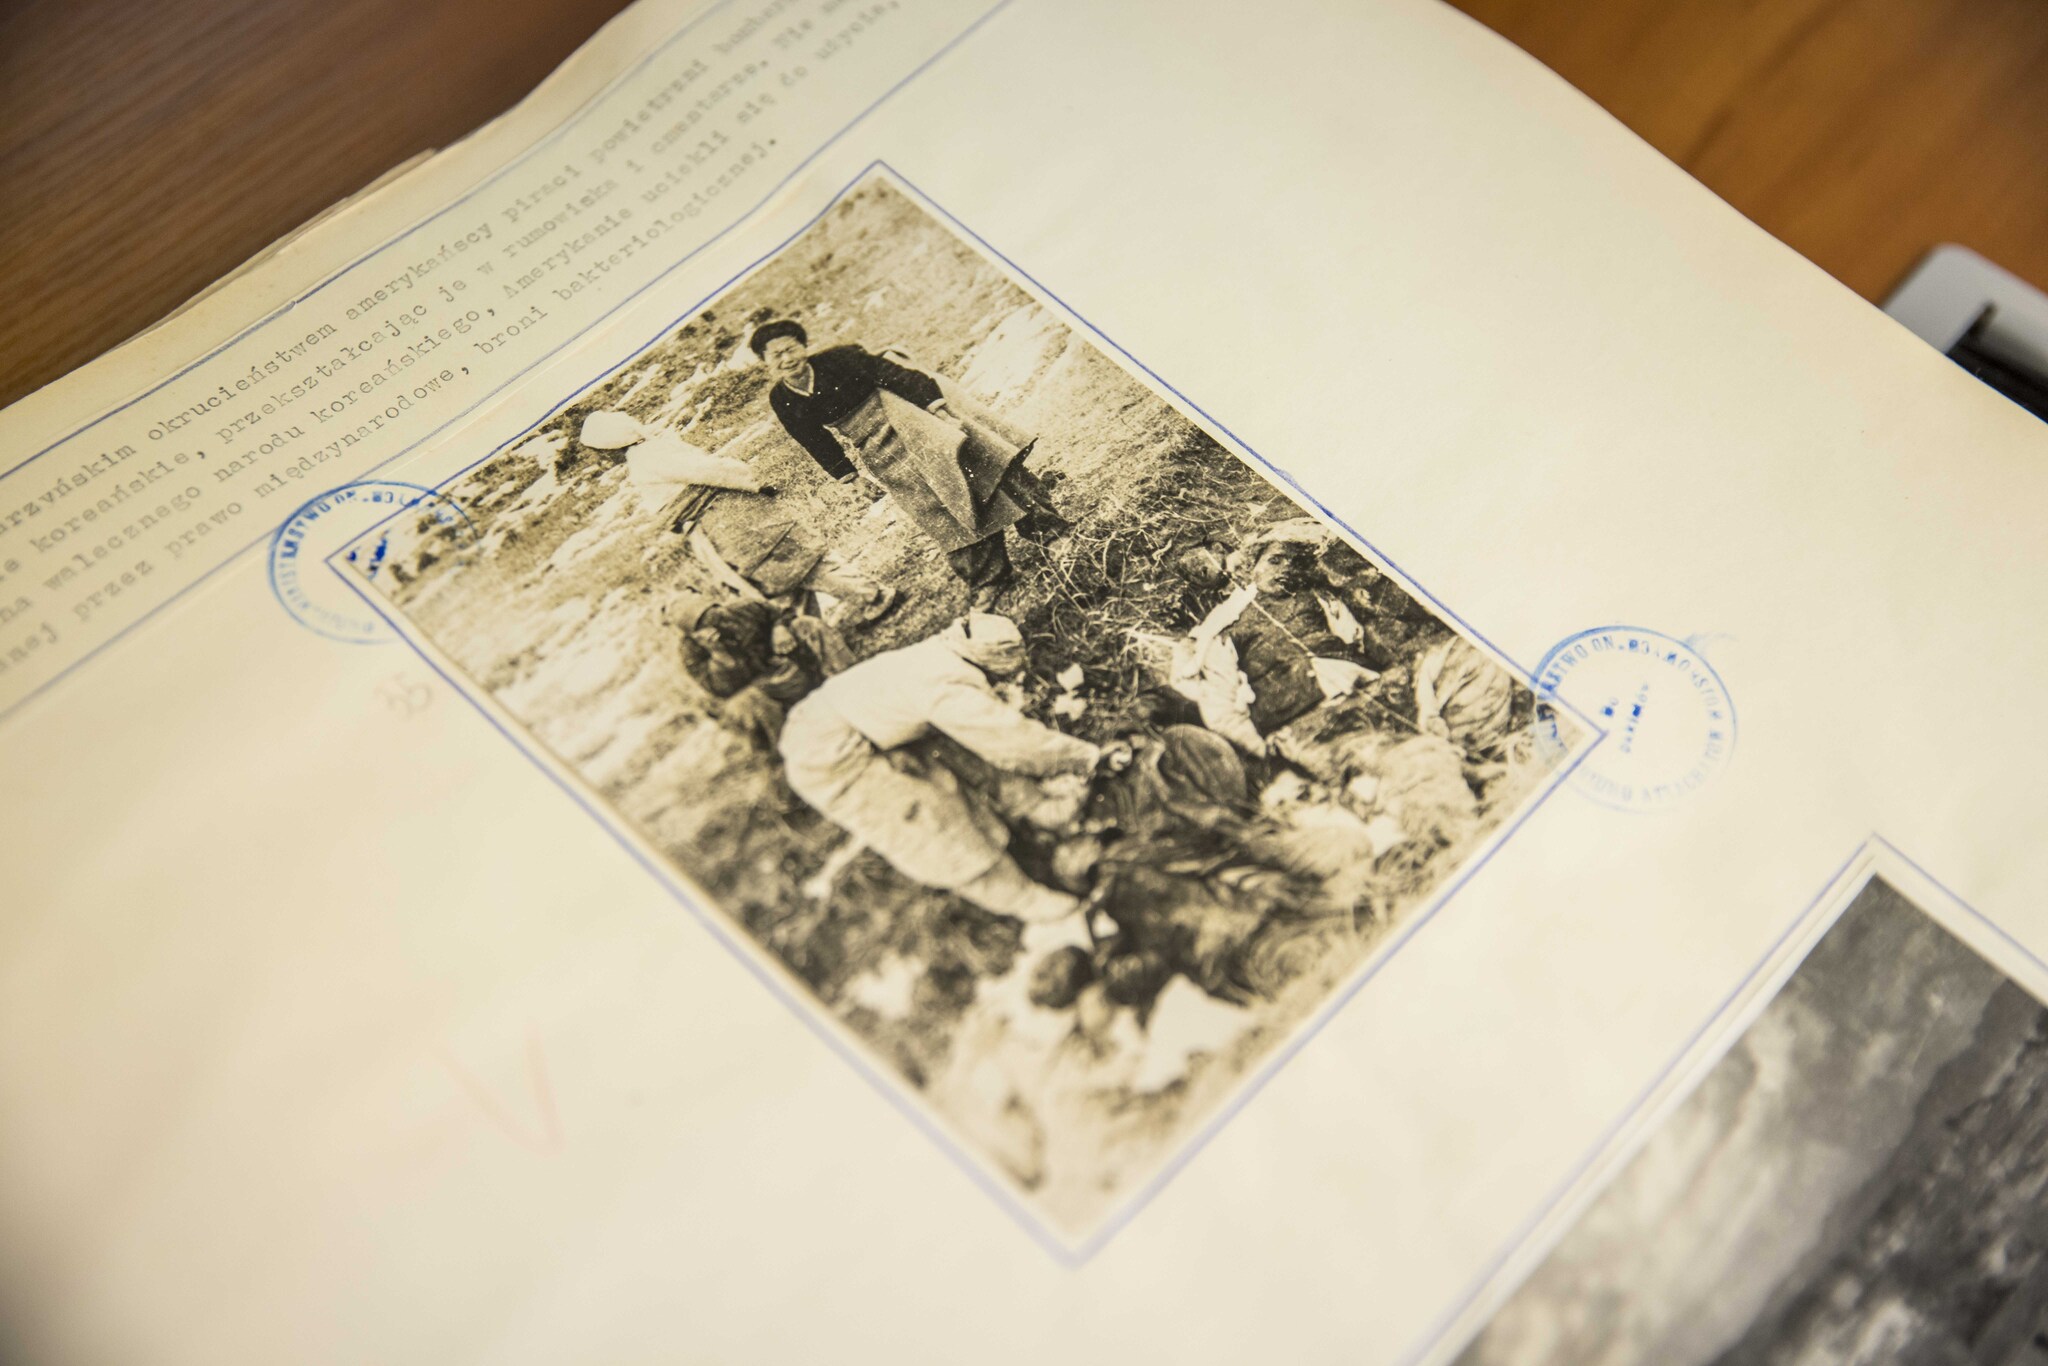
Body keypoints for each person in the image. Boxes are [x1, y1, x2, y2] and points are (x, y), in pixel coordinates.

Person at [778, 614, 1119, 923]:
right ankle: (1024, 899)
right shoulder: (944, 690)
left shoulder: (942, 651)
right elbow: (1011, 743)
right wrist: (1087, 758)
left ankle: (1038, 811)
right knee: (924, 819)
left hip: (843, 725)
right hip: (825, 758)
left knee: (953, 759)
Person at [750, 320, 1069, 606]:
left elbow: (894, 375)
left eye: (790, 349)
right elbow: (813, 439)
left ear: (804, 346)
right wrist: (851, 477)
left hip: (908, 417)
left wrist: (938, 411)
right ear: (765, 362)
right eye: (775, 355)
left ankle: (1049, 532)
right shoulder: (782, 398)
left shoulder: (840, 358)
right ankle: (989, 578)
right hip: (874, 447)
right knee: (932, 506)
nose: (786, 359)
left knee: (980, 469)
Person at [579, 410, 898, 625]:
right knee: (776, 576)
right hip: (720, 522)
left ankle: (874, 597)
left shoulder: (648, 457)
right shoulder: (648, 454)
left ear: (609, 446)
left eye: (598, 451)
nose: (600, 459)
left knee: (795, 564)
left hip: (731, 518)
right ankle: (812, 634)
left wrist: (752, 481)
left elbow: (709, 470)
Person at [668, 590, 844, 748]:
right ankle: (795, 744)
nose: (712, 620)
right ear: (693, 633)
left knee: (805, 626)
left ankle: (846, 681)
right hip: (764, 690)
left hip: (789, 662)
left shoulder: (743, 609)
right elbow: (721, 691)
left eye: (711, 612)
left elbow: (781, 612)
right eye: (702, 622)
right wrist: (719, 655)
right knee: (742, 704)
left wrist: (780, 627)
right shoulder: (691, 652)